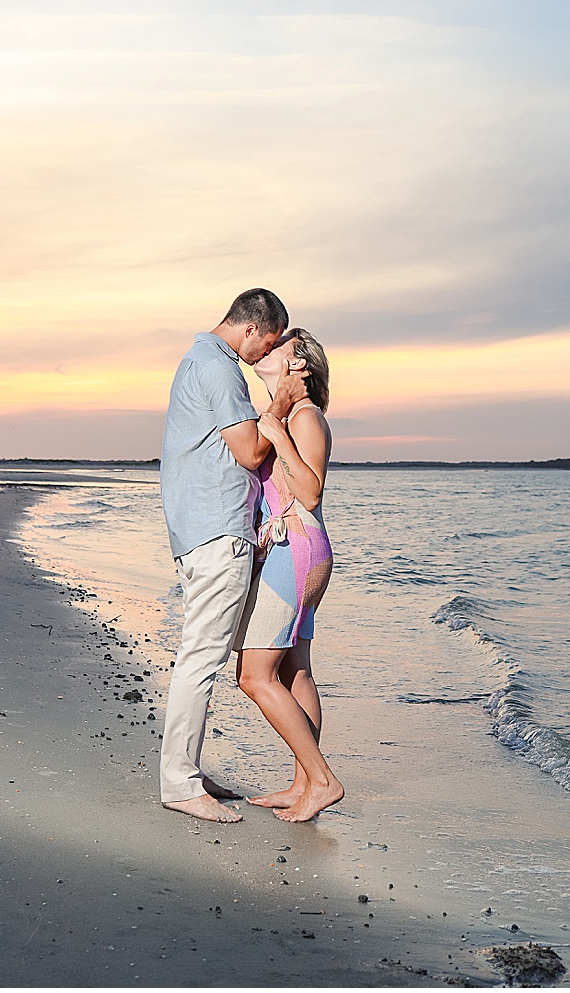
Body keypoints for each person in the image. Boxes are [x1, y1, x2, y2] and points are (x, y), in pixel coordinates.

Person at [158, 288, 310, 823]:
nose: (264, 353)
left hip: (204, 529)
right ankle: (178, 783)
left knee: (203, 655)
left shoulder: (198, 360)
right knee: (202, 658)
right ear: (251, 329)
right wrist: (284, 401)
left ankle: (188, 772)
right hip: (217, 533)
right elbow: (248, 451)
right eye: (267, 342)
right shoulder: (219, 368)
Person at [233, 328, 344, 822]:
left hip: (295, 550)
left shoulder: (306, 418)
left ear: (298, 364)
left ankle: (322, 780)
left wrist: (276, 432)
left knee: (253, 676)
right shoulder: (293, 415)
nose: (266, 349)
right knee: (294, 670)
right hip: (296, 550)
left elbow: (311, 492)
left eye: (279, 346)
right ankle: (303, 783)